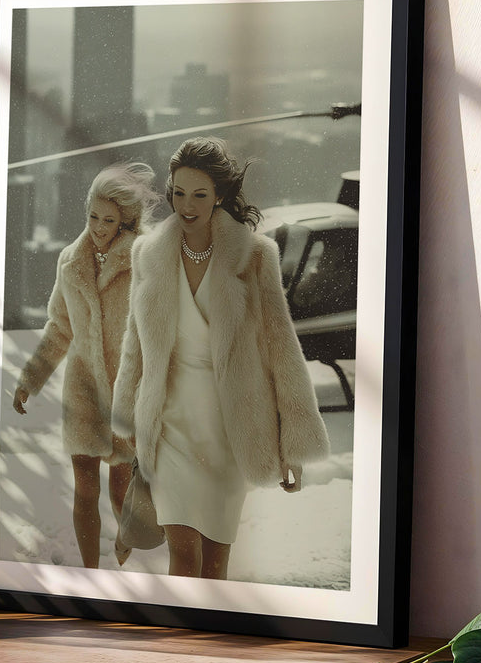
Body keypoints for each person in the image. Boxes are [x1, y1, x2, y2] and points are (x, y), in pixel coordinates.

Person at [112, 137, 329, 580]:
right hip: (171, 427)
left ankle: (210, 644)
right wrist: (126, 419)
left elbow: (281, 347)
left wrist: (294, 445)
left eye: (199, 195)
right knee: (183, 557)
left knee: (215, 562)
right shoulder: (148, 255)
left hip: (231, 432)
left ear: (221, 197)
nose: (186, 205)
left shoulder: (254, 257)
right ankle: (183, 648)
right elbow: (135, 345)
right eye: (178, 192)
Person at [13, 162, 160, 569]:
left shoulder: (143, 261)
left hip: (127, 390)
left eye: (108, 220)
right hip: (82, 390)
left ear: (124, 221)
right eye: (93, 216)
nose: (98, 226)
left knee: (120, 489)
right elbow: (59, 327)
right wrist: (30, 379)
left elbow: (159, 330)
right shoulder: (69, 262)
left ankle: (128, 538)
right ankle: (90, 573)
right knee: (84, 488)